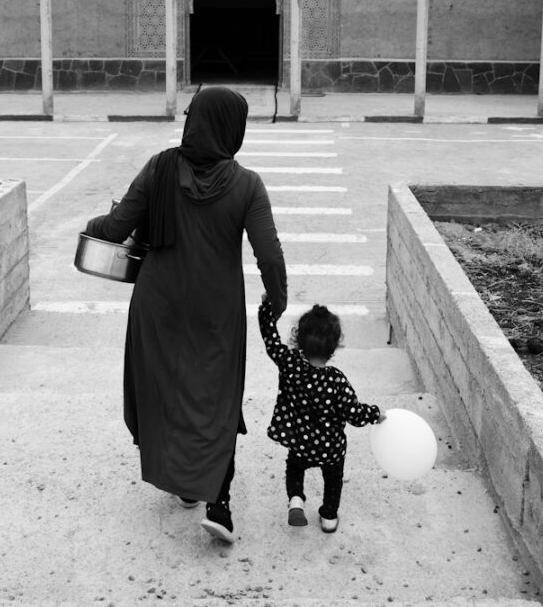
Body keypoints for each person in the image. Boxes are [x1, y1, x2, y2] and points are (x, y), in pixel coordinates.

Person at [85, 86, 287, 544]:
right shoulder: (247, 184)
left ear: (194, 120)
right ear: (232, 128)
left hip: (158, 305)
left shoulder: (160, 166)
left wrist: (90, 226)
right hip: (216, 312)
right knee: (216, 400)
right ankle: (219, 504)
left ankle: (183, 480)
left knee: (168, 389)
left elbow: (117, 228)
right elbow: (269, 256)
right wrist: (277, 302)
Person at [258, 295, 382, 533]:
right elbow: (354, 414)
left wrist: (266, 311)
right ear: (334, 347)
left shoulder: (290, 364)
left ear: (298, 340)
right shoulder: (336, 380)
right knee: (333, 479)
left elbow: (271, 342)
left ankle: (296, 499)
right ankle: (328, 516)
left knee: (294, 468)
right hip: (331, 447)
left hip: (300, 442)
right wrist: (375, 414)